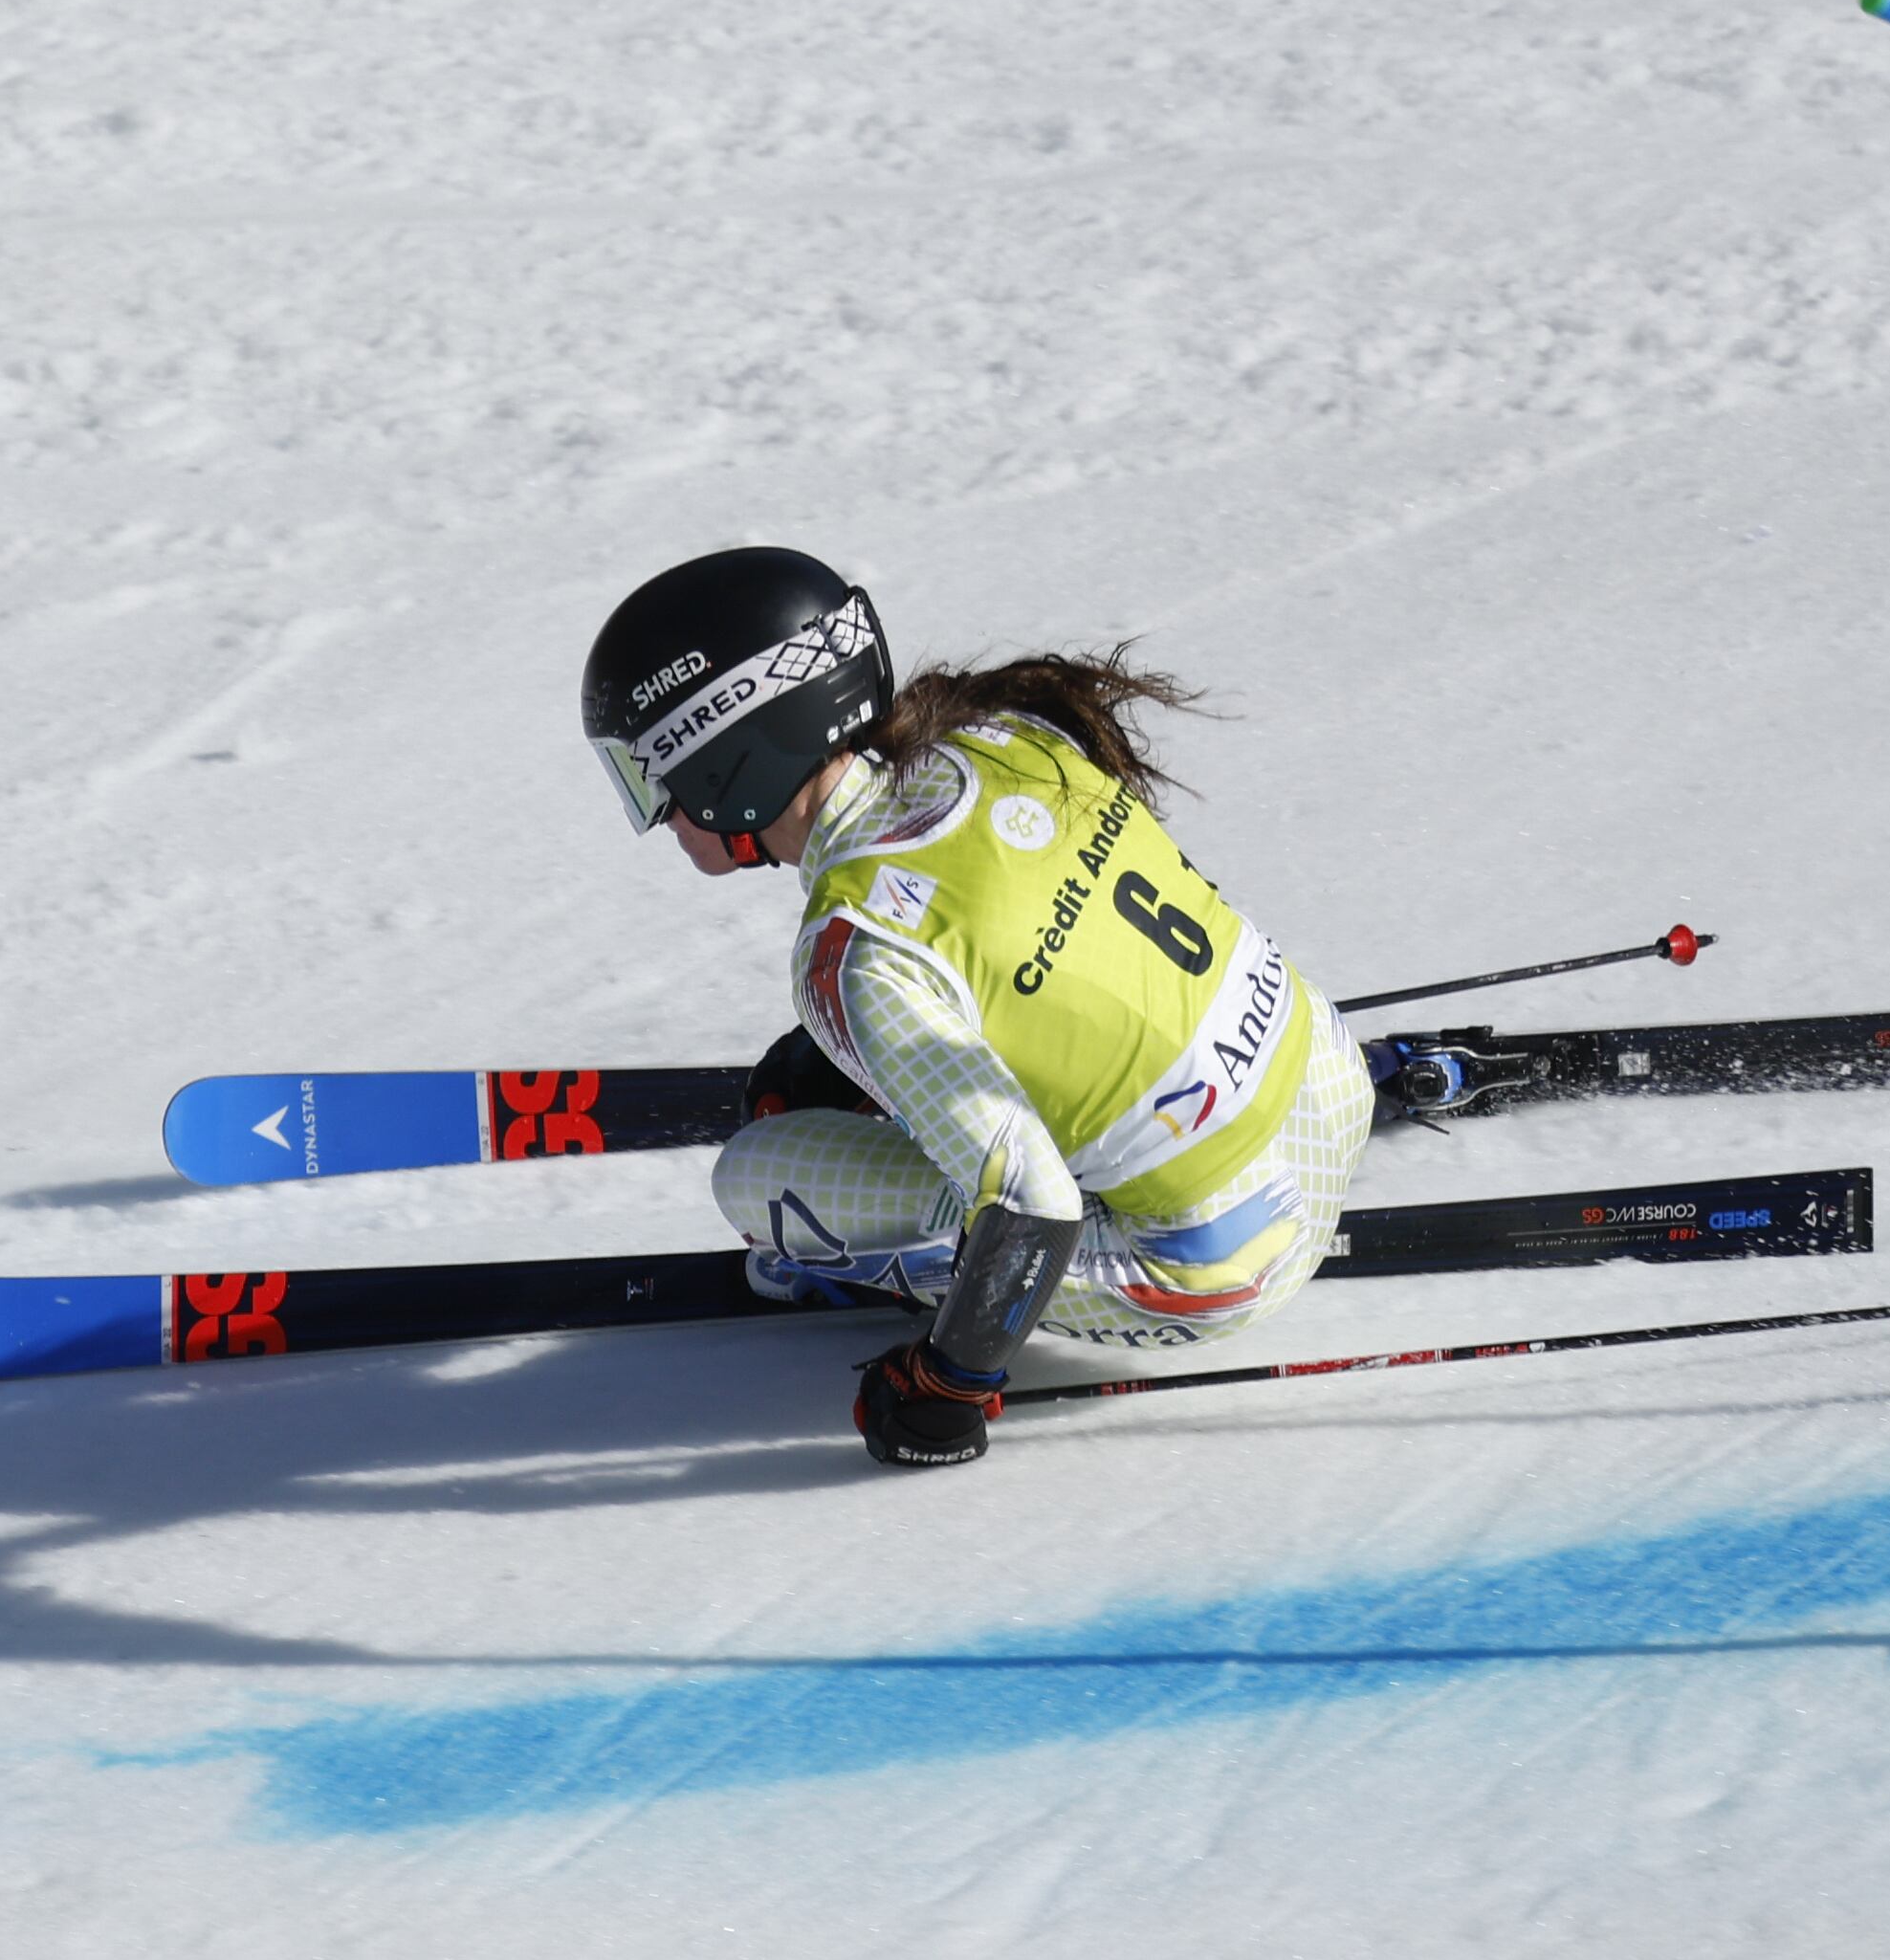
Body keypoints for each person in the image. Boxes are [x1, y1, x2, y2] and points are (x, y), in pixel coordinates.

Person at [579, 544, 1377, 1469]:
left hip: (1221, 1268)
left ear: (726, 760)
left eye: (654, 781)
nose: (659, 820)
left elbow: (1033, 1209)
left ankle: (875, 1265)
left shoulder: (855, 952)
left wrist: (944, 1391)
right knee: (858, 1074)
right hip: (1329, 1077)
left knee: (758, 1179)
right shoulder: (1000, 737)